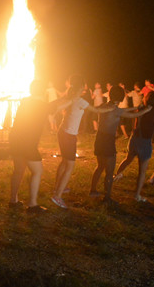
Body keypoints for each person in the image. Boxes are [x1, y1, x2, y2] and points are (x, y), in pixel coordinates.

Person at [49, 75, 114, 209]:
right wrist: (109, 108)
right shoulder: (79, 101)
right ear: (80, 88)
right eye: (83, 86)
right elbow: (96, 110)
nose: (85, 88)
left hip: (62, 132)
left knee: (64, 161)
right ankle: (57, 196)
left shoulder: (70, 98)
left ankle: (58, 188)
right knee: (70, 165)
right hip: (69, 135)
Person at [9, 80, 74, 212]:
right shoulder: (42, 105)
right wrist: (73, 99)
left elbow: (51, 104)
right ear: (43, 92)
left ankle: (13, 201)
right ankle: (32, 205)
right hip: (27, 143)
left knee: (19, 170)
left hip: (15, 139)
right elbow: (57, 108)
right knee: (37, 171)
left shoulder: (26, 101)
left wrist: (63, 97)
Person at [90, 84, 153, 205]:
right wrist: (146, 110)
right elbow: (133, 115)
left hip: (99, 138)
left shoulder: (105, 106)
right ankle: (107, 198)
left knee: (100, 166)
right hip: (108, 140)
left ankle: (93, 191)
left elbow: (122, 111)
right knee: (109, 170)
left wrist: (135, 107)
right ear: (122, 98)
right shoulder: (115, 110)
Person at [111, 91, 154, 203]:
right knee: (142, 171)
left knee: (128, 159)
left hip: (134, 138)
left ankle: (116, 175)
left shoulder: (142, 108)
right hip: (145, 142)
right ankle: (137, 195)